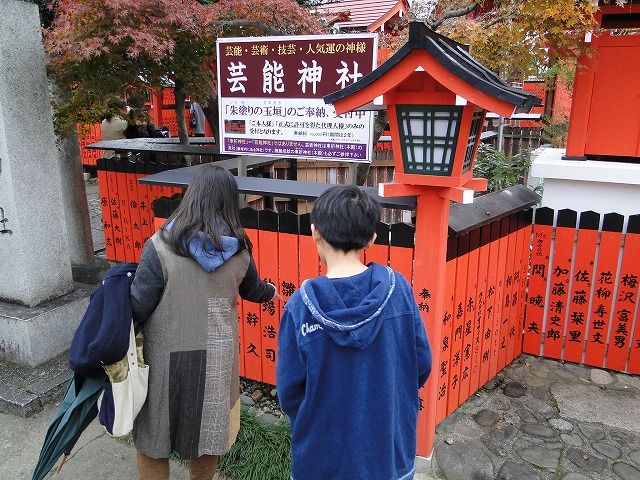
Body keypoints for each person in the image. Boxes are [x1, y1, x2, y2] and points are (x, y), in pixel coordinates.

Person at [130, 164, 277, 480]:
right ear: (230, 202)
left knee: (154, 439)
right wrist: (273, 291)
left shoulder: (160, 246)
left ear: (191, 196)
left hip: (164, 358)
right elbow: (254, 290)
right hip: (217, 362)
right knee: (209, 436)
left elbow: (138, 306)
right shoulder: (239, 251)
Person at [276, 185, 432, 480]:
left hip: (321, 460)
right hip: (388, 454)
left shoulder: (300, 306)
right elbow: (421, 364)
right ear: (372, 237)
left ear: (315, 232)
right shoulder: (398, 290)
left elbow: (289, 392)